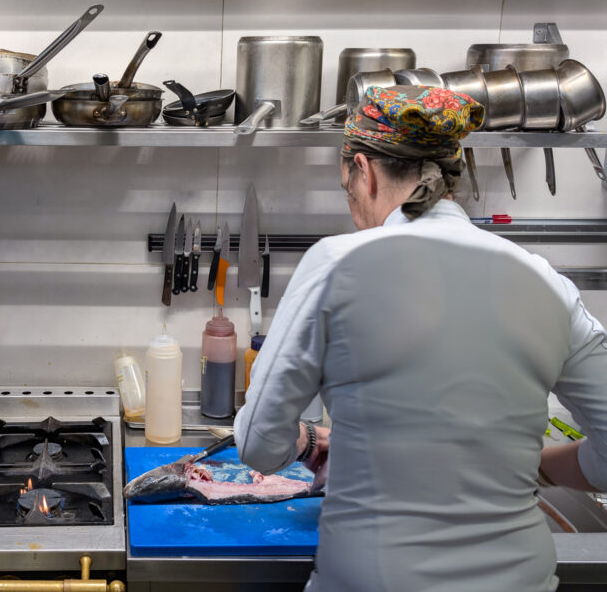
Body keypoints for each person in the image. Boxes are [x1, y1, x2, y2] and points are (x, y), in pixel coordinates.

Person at [234, 85, 607, 592]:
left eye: (348, 190)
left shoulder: (337, 263)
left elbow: (258, 443)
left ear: (363, 172)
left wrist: (306, 441)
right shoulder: (545, 279)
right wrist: (522, 465)